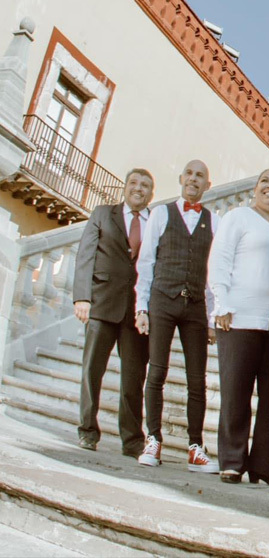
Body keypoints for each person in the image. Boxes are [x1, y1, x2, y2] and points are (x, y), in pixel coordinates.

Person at [134, 160, 219, 473]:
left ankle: (195, 447)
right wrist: (141, 307)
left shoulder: (214, 220)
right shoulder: (161, 213)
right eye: (190, 174)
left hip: (196, 306)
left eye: (200, 175)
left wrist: (212, 317)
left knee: (198, 379)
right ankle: (153, 441)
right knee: (156, 371)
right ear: (181, 179)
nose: (194, 179)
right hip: (162, 300)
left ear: (207, 185)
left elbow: (214, 272)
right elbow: (146, 262)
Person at [208, 169, 269, 484]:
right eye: (265, 182)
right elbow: (220, 260)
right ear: (255, 190)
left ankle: (262, 467)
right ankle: (231, 460)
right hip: (238, 317)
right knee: (235, 392)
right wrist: (222, 303)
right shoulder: (238, 218)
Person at [73, 168, 155, 456]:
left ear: (151, 193)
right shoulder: (102, 214)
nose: (138, 188)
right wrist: (82, 297)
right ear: (125, 187)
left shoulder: (156, 221)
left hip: (136, 312)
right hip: (102, 304)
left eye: (145, 185)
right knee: (92, 371)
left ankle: (132, 440)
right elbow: (86, 254)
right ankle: (87, 430)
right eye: (134, 182)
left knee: (133, 379)